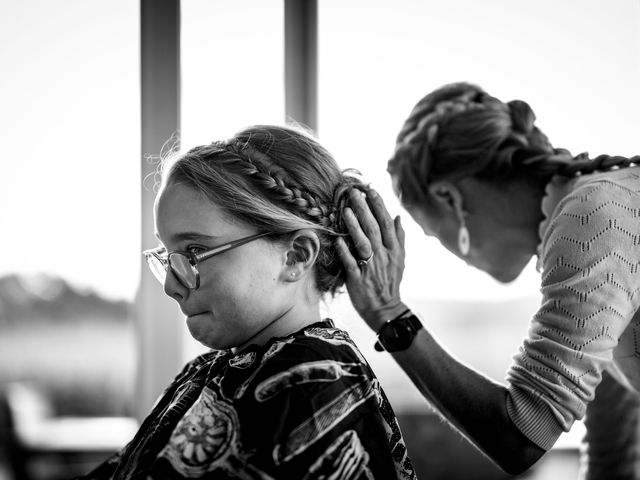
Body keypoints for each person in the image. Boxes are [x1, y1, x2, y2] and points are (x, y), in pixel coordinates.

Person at [335, 82, 640, 479]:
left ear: (449, 199)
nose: (450, 252)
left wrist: (388, 313)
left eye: (432, 232)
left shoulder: (592, 218)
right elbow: (614, 451)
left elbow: (521, 436)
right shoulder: (603, 211)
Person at [75, 125, 416, 480]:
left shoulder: (311, 381)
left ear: (296, 257)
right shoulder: (208, 370)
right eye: (167, 256)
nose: (172, 286)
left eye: (194, 251)